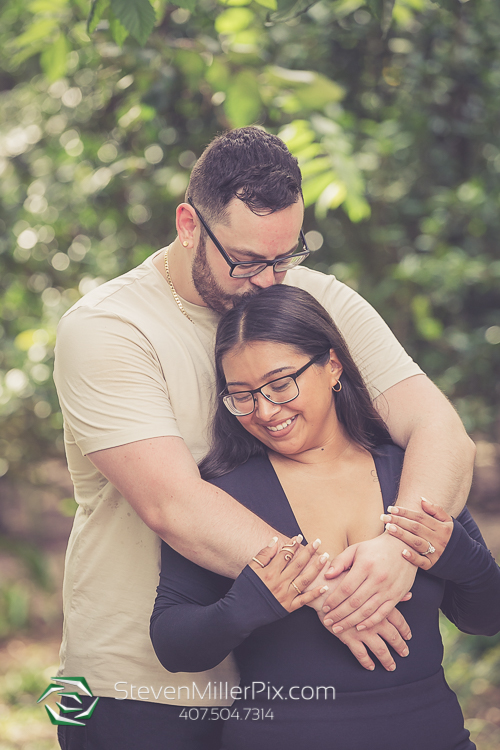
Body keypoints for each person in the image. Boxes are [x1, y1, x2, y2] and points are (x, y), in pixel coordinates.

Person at [53, 126, 475, 748]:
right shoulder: (110, 328)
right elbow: (175, 504)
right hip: (141, 687)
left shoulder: (314, 300)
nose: (269, 281)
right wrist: (337, 590)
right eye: (247, 261)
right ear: (189, 223)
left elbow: (439, 429)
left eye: (285, 258)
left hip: (281, 688)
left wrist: (397, 548)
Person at [151, 284, 500, 749]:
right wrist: (250, 604)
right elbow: (172, 645)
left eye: (280, 384)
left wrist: (452, 552)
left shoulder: (410, 473)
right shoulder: (223, 496)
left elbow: (486, 616)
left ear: (332, 365)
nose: (265, 411)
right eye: (243, 395)